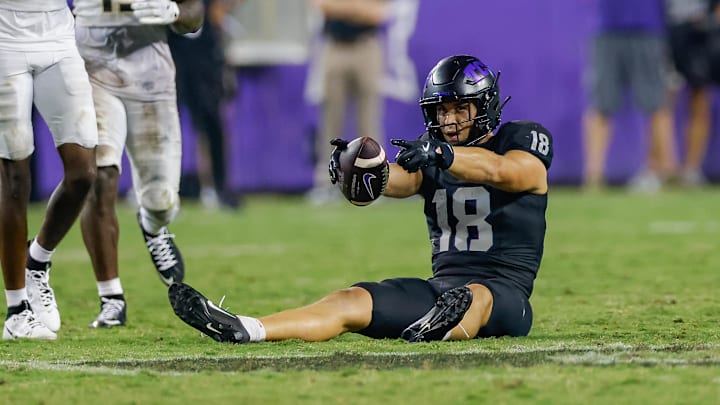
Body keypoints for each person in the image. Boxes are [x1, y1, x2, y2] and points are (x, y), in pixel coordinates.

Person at [168, 55, 553, 344]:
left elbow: (512, 172)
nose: (448, 120)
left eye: (458, 109)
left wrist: (444, 156)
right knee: (351, 299)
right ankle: (248, 328)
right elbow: (394, 180)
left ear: (483, 107)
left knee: (475, 296)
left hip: (505, 295)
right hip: (440, 291)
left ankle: (441, 330)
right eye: (441, 110)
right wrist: (360, 169)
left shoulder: (517, 141)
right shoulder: (434, 154)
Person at [72, 0, 204, 328]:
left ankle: (153, 225)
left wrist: (174, 14)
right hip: (91, 66)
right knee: (99, 175)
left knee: (162, 200)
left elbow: (195, 14)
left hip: (150, 76)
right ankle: (111, 297)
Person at [0, 0, 99, 339]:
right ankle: (16, 311)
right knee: (15, 175)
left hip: (57, 31)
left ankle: (37, 259)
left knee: (83, 171)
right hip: (5, 34)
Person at [583, 0, 676, 192]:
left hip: (647, 29)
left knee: (656, 102)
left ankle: (665, 170)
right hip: (608, 29)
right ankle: (593, 177)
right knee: (601, 104)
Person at [306, 0, 389, 204]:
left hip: (366, 45)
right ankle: (327, 183)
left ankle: (374, 182)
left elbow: (379, 13)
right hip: (335, 46)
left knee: (369, 119)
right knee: (331, 120)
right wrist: (358, 8)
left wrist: (343, 7)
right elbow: (322, 5)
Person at [168, 0, 240, 209]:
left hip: (205, 50)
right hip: (169, 47)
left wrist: (221, 8)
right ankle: (161, 189)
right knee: (164, 120)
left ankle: (218, 187)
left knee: (211, 120)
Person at [666, 0, 720, 187]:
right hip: (667, 35)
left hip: (700, 37)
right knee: (662, 104)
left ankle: (691, 169)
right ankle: (662, 167)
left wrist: (711, 21)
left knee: (699, 101)